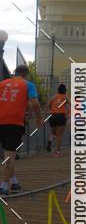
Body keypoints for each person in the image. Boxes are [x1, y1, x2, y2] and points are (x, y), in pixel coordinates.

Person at [0, 65, 43, 195]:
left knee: (8, 153)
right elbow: (34, 103)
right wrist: (39, 118)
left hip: (1, 121)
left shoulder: (2, 84)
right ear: (26, 74)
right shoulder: (28, 85)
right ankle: (3, 186)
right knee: (10, 155)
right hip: (14, 123)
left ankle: (14, 182)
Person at [46, 83, 69, 157]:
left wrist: (48, 111)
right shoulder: (65, 97)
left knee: (54, 133)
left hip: (53, 116)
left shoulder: (54, 97)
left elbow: (47, 105)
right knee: (59, 135)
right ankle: (57, 152)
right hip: (61, 116)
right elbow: (71, 104)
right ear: (65, 90)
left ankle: (50, 140)